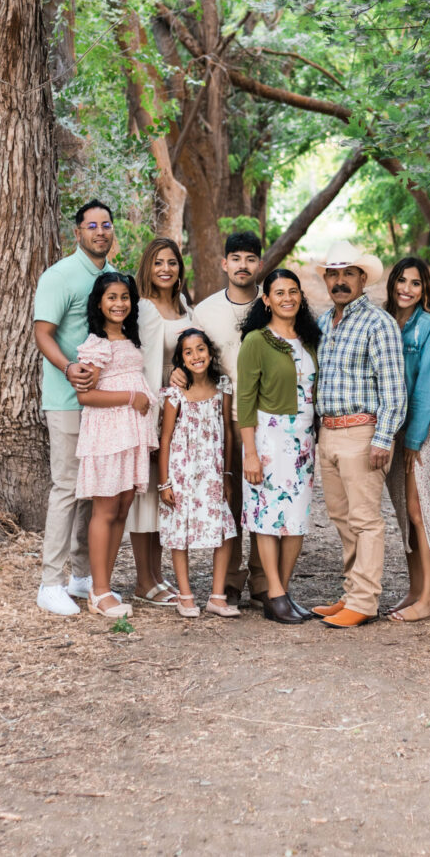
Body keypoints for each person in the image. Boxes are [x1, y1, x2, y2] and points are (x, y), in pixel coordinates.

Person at [312, 241, 407, 629]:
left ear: (362, 278)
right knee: (342, 517)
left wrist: (383, 438)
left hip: (362, 432)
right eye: (333, 274)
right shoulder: (323, 323)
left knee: (365, 520)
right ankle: (352, 592)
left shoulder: (378, 323)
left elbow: (393, 388)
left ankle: (365, 601)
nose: (339, 281)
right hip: (329, 432)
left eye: (348, 273)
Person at [33, 199, 115, 615]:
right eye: (92, 225)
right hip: (66, 400)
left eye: (106, 224)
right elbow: (42, 333)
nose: (100, 231)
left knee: (91, 490)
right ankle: (50, 583)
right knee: (66, 487)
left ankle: (82, 577)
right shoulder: (60, 276)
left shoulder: (112, 277)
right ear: (78, 232)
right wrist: (68, 368)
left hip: (100, 404)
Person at [186, 231, 266, 606]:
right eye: (236, 258)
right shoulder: (205, 311)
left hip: (266, 417)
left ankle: (264, 580)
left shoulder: (273, 303)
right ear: (224, 263)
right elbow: (194, 358)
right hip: (222, 417)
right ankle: (230, 579)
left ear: (259, 265)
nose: (242, 265)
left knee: (265, 499)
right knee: (230, 498)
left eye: (250, 258)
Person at [237, 269, 320, 625]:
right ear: (267, 300)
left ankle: (281, 593)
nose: (288, 298)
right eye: (280, 292)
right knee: (268, 517)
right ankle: (274, 592)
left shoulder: (309, 339)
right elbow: (244, 399)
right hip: (268, 438)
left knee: (296, 519)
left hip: (303, 440)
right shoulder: (257, 341)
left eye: (293, 291)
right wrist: (250, 453)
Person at [75, 273, 158, 620]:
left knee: (122, 509)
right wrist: (131, 397)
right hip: (108, 434)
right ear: (99, 303)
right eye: (112, 297)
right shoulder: (97, 344)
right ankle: (98, 591)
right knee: (106, 511)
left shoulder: (127, 337)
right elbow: (86, 395)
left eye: (125, 297)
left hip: (130, 434)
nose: (119, 303)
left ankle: (103, 586)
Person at [126, 236, 192, 608]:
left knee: (165, 492)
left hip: (180, 410)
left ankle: (157, 574)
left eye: (172, 262)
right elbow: (141, 362)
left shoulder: (184, 305)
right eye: (158, 262)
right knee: (146, 494)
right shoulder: (143, 309)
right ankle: (143, 579)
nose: (165, 269)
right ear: (148, 268)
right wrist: (149, 415)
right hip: (153, 405)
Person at [383, 256, 430, 623]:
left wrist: (414, 440)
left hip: (423, 430)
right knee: (403, 512)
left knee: (420, 508)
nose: (407, 288)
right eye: (402, 280)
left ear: (424, 290)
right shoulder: (382, 321)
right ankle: (414, 589)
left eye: (416, 283)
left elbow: (426, 386)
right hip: (391, 430)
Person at [158, 329, 237, 619]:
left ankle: (217, 596)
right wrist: (164, 482)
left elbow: (227, 430)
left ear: (210, 352)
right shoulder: (175, 394)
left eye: (200, 349)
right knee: (180, 531)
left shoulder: (223, 386)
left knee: (225, 529)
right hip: (182, 471)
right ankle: (185, 595)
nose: (196, 356)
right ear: (181, 360)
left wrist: (227, 474)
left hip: (212, 471)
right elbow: (166, 438)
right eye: (188, 352)